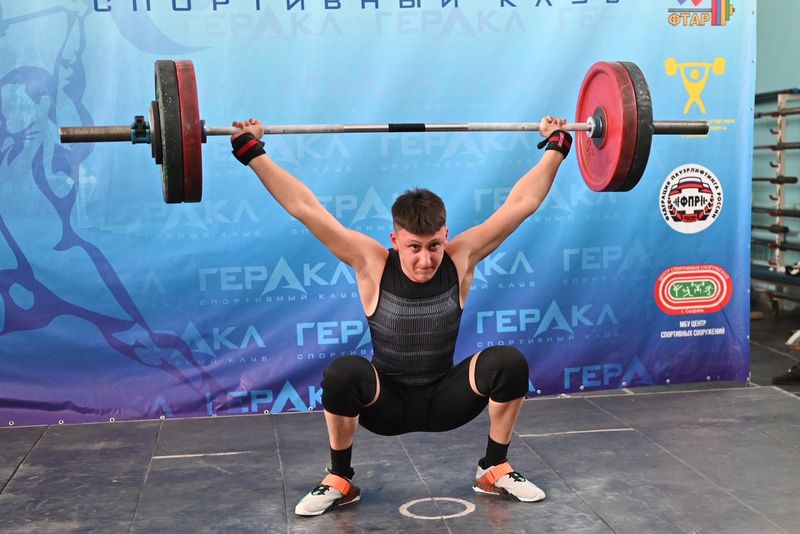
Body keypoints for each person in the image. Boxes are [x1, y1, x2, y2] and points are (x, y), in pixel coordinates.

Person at [230, 116, 572, 516]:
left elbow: (522, 204)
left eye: (434, 246)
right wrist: (252, 152)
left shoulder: (461, 257)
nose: (425, 259)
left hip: (446, 400)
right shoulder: (372, 262)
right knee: (343, 373)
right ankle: (339, 478)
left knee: (508, 363)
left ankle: (494, 467)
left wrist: (557, 145)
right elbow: (305, 209)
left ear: (446, 236)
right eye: (414, 247)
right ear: (395, 240)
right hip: (385, 403)